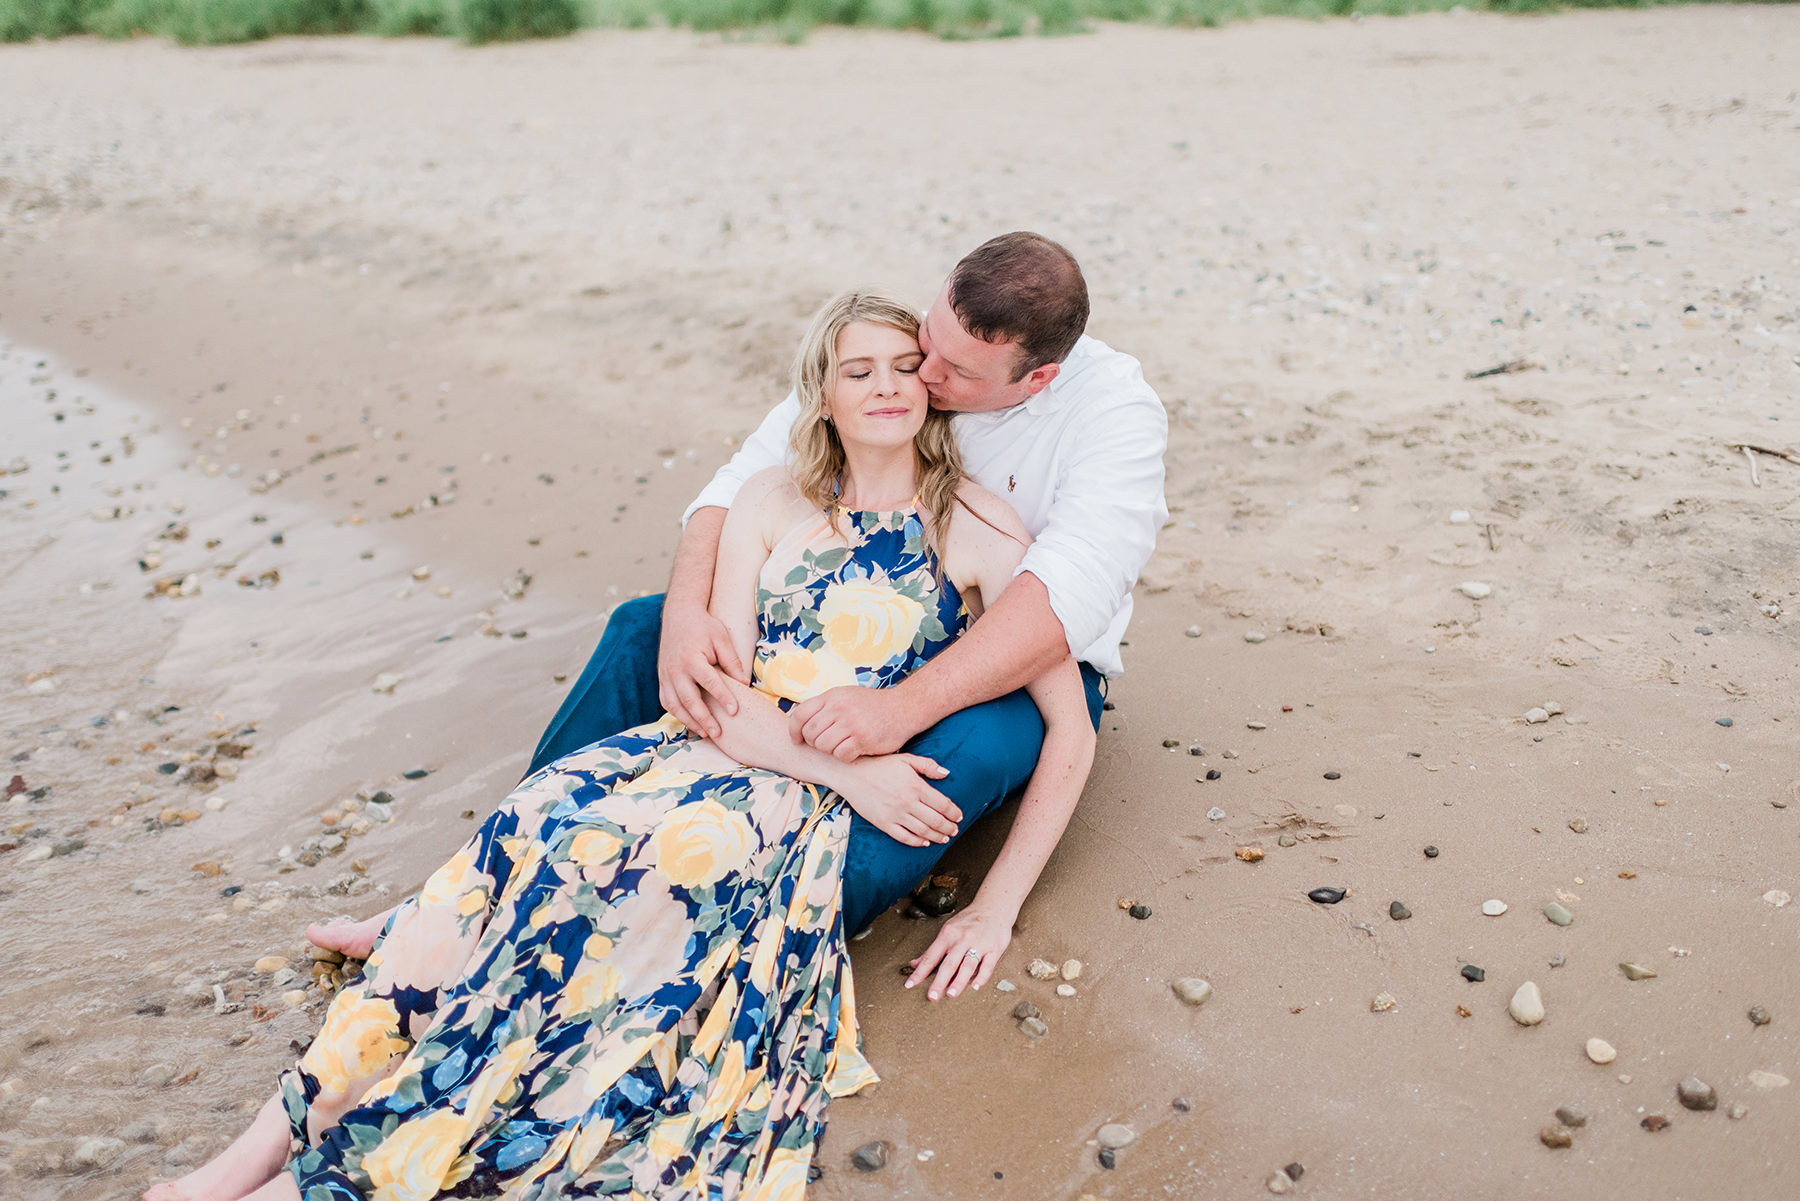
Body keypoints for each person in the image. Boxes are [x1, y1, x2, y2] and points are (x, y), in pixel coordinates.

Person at [145, 290, 1095, 1201]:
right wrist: (852, 769)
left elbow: (1072, 731)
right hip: (724, 751)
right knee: (534, 827)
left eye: (903, 365)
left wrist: (995, 910)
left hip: (783, 810)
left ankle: (341, 1176)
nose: (887, 384)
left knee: (627, 879)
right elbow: (722, 697)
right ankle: (256, 1146)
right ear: (824, 392)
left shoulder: (977, 525)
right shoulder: (769, 501)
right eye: (859, 370)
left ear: (930, 386)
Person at [315, 233, 1167, 992]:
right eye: (925, 343)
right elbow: (739, 486)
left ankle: (710, 941)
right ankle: (474, 895)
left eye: (949, 371)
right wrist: (690, 614)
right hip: (844, 617)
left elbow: (1060, 602)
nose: (922, 375)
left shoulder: (1112, 417)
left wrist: (902, 713)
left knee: (942, 770)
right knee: (639, 635)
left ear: (1038, 377)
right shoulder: (901, 353)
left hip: (1008, 659)